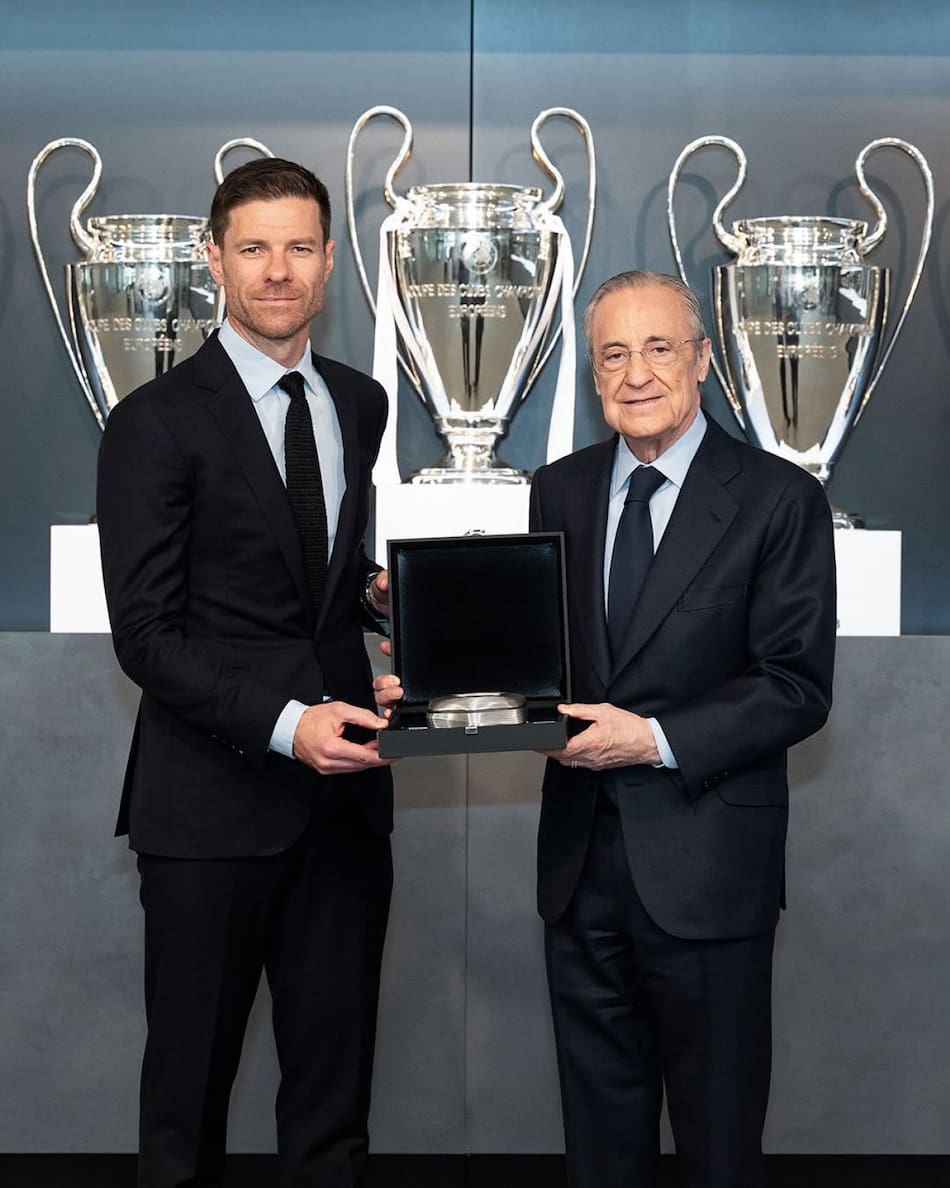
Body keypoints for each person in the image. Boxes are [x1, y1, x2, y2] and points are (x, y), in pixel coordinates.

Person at [376, 268, 837, 1188]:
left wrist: (653, 740)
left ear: (703, 360)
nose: (636, 374)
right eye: (613, 354)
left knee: (717, 1145)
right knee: (600, 1145)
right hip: (580, 873)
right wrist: (439, 672)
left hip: (709, 873)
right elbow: (546, 658)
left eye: (659, 347)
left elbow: (795, 687)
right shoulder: (562, 488)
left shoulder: (779, 498)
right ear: (591, 375)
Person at [97, 156, 396, 1188]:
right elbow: (144, 632)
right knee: (185, 1104)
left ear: (328, 263)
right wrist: (285, 722)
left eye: (300, 247)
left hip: (346, 806)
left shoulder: (359, 405)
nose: (278, 269)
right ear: (215, 259)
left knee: (332, 1103)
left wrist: (391, 625)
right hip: (209, 807)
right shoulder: (154, 422)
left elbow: (322, 575)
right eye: (255, 247)